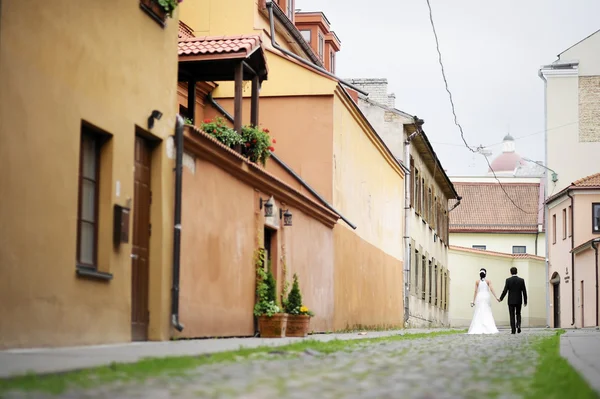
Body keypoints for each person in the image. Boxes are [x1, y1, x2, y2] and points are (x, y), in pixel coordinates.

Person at [467, 268, 500, 334]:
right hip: (486, 296)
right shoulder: (488, 281)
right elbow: (491, 289)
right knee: (487, 310)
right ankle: (489, 326)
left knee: (479, 310)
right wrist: (496, 297)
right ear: (485, 274)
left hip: (480, 296)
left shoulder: (477, 282)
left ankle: (479, 325)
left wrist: (473, 301)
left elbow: (475, 291)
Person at [498, 266, 528, 334]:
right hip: (518, 300)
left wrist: (501, 298)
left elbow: (505, 290)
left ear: (510, 272)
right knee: (518, 313)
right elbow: (524, 291)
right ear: (517, 272)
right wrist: (525, 301)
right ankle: (518, 325)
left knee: (512, 315)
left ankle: (513, 330)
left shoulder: (508, 280)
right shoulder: (521, 280)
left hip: (511, 301)